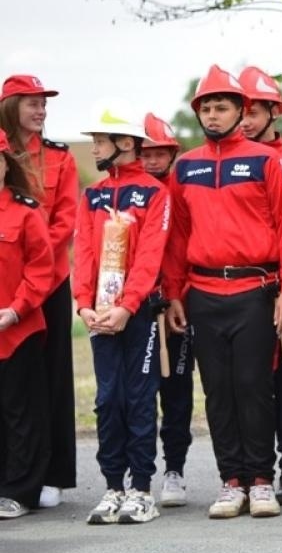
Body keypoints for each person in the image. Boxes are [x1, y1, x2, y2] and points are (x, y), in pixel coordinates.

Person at [164, 67, 282, 520]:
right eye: (207, 107)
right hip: (202, 291)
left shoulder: (266, 160)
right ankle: (231, 481)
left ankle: (261, 480)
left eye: (222, 107)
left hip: (256, 290)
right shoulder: (186, 165)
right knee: (217, 391)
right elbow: (178, 236)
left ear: (243, 111)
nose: (214, 115)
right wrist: (175, 293)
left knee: (253, 386)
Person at [74, 101, 172, 525]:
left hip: (138, 316)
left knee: (138, 399)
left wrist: (129, 306)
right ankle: (113, 486)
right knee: (106, 400)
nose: (93, 148)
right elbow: (84, 255)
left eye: (100, 141)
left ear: (125, 143)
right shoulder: (92, 195)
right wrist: (82, 304)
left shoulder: (155, 192)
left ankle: (141, 489)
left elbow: (151, 257)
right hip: (99, 315)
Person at [0, 74, 79, 507]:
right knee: (15, 386)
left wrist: (37, 267)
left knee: (52, 375)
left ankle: (54, 473)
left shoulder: (58, 158)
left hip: (47, 282)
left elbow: (65, 219)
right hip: (6, 283)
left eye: (43, 104)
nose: (41, 110)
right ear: (10, 106)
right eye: (31, 103)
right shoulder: (1, 153)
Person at [237, 65, 282, 507]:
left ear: (272, 113)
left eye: (254, 111)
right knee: (248, 384)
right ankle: (250, 470)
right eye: (240, 110)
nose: (245, 119)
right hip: (244, 292)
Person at [0, 131, 56, 519]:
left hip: (17, 329)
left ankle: (20, 490)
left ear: (6, 165)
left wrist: (15, 310)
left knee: (20, 413)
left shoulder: (25, 210)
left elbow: (42, 269)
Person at [141, 113, 195, 509]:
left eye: (160, 153)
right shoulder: (125, 193)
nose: (152, 160)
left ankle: (174, 469)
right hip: (136, 307)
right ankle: (136, 471)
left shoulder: (183, 191)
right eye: (146, 153)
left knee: (177, 393)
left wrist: (178, 293)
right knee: (138, 395)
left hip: (179, 304)